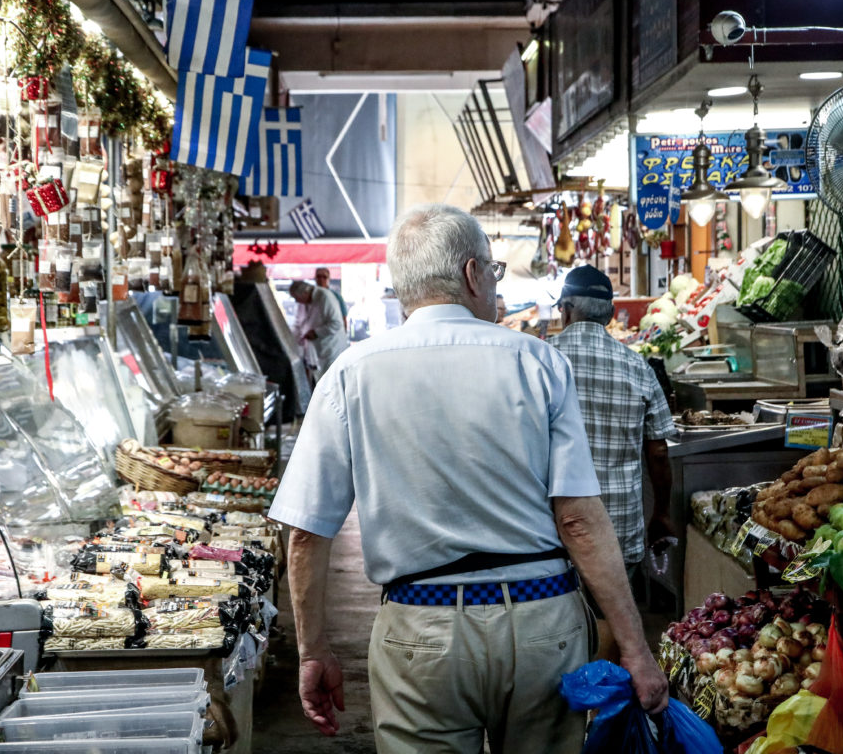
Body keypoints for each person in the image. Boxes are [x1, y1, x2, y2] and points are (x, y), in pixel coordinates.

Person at [269, 204, 667, 754]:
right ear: (472, 274)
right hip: (541, 623)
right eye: (495, 272)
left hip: (420, 630)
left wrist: (314, 650)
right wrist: (635, 648)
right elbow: (576, 518)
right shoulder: (538, 362)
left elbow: (308, 533)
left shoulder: (351, 373)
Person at [548, 265, 676, 662]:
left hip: (550, 528)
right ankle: (604, 715)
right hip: (618, 527)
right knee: (613, 621)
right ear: (608, 313)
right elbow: (658, 450)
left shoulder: (541, 361)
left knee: (556, 628)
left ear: (566, 310)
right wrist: (662, 513)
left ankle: (566, 711)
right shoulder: (637, 366)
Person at [289, 280, 349, 380]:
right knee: (319, 381)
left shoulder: (325, 297)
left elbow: (337, 324)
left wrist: (316, 332)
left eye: (297, 298)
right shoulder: (303, 302)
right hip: (314, 351)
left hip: (330, 349)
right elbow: (298, 323)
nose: (296, 301)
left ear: (305, 293)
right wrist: (292, 341)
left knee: (331, 382)